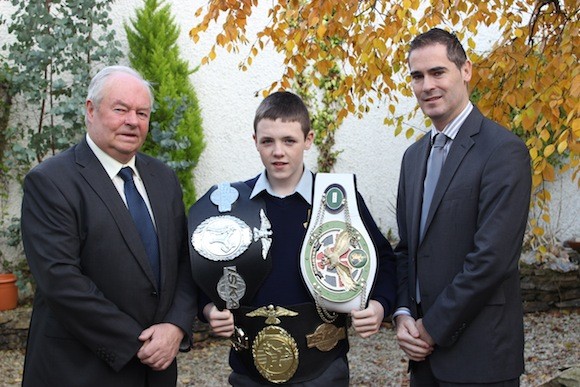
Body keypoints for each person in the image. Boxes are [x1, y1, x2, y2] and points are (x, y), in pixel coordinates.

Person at [188, 91, 397, 385]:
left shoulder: (338, 199)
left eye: (289, 140)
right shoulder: (231, 204)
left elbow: (383, 258)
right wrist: (208, 308)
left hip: (323, 369)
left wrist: (379, 305)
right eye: (267, 141)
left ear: (308, 140)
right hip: (249, 371)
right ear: (255, 142)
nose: (278, 151)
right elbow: (200, 268)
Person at [20, 65, 197, 386]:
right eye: (121, 109)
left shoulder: (163, 178)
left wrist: (175, 326)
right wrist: (139, 342)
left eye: (142, 113)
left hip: (157, 369)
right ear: (91, 109)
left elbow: (185, 260)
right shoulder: (51, 182)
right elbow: (61, 281)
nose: (133, 121)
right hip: (80, 369)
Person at [393, 28, 531, 386]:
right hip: (423, 359)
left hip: (480, 358)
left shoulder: (503, 151)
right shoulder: (413, 157)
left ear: (465, 70)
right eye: (417, 76)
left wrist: (432, 327)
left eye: (438, 72)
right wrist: (404, 314)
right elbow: (407, 250)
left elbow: (492, 259)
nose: (427, 86)